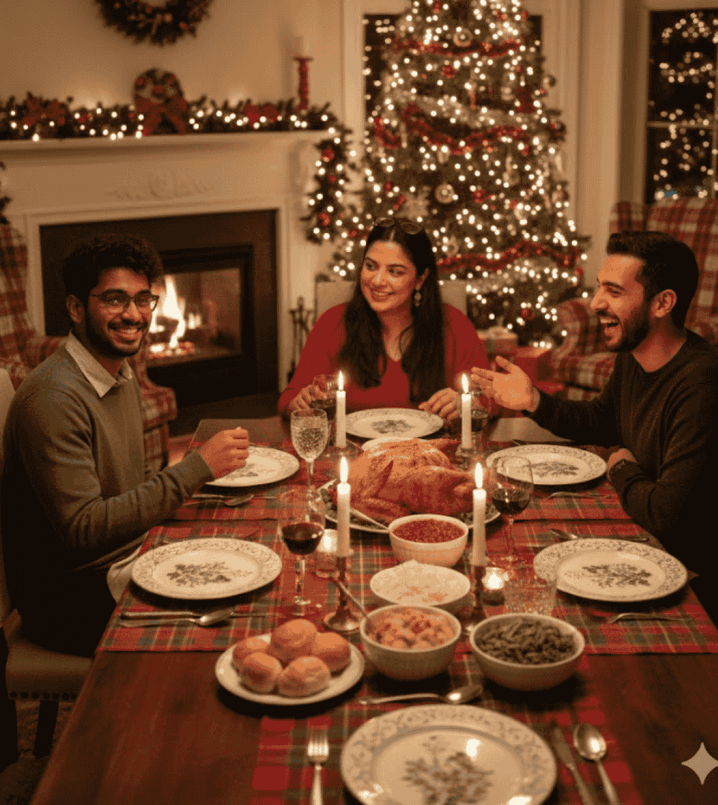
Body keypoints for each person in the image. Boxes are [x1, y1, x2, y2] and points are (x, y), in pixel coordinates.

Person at [472, 229, 718, 645]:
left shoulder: (703, 385)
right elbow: (602, 422)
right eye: (599, 288)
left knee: (554, 621)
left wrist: (621, 469)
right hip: (651, 552)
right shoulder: (635, 359)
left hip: (705, 586)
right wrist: (534, 401)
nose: (595, 303)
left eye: (613, 291)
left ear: (663, 303)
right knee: (535, 583)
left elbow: (665, 518)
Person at [1, 234, 250, 656]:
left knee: (243, 554)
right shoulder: (53, 398)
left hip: (124, 555)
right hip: (69, 597)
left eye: (143, 299)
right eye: (114, 299)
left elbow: (133, 485)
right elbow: (83, 530)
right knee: (230, 623)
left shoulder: (118, 372)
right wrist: (194, 469)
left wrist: (192, 484)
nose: (134, 314)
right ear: (76, 308)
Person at [279, 217, 490, 419]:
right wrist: (298, 404)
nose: (377, 281)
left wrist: (468, 403)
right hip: (353, 453)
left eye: (395, 272)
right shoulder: (332, 323)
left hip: (432, 453)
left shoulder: (454, 325)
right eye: (371, 266)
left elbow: (491, 400)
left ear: (420, 279)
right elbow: (290, 398)